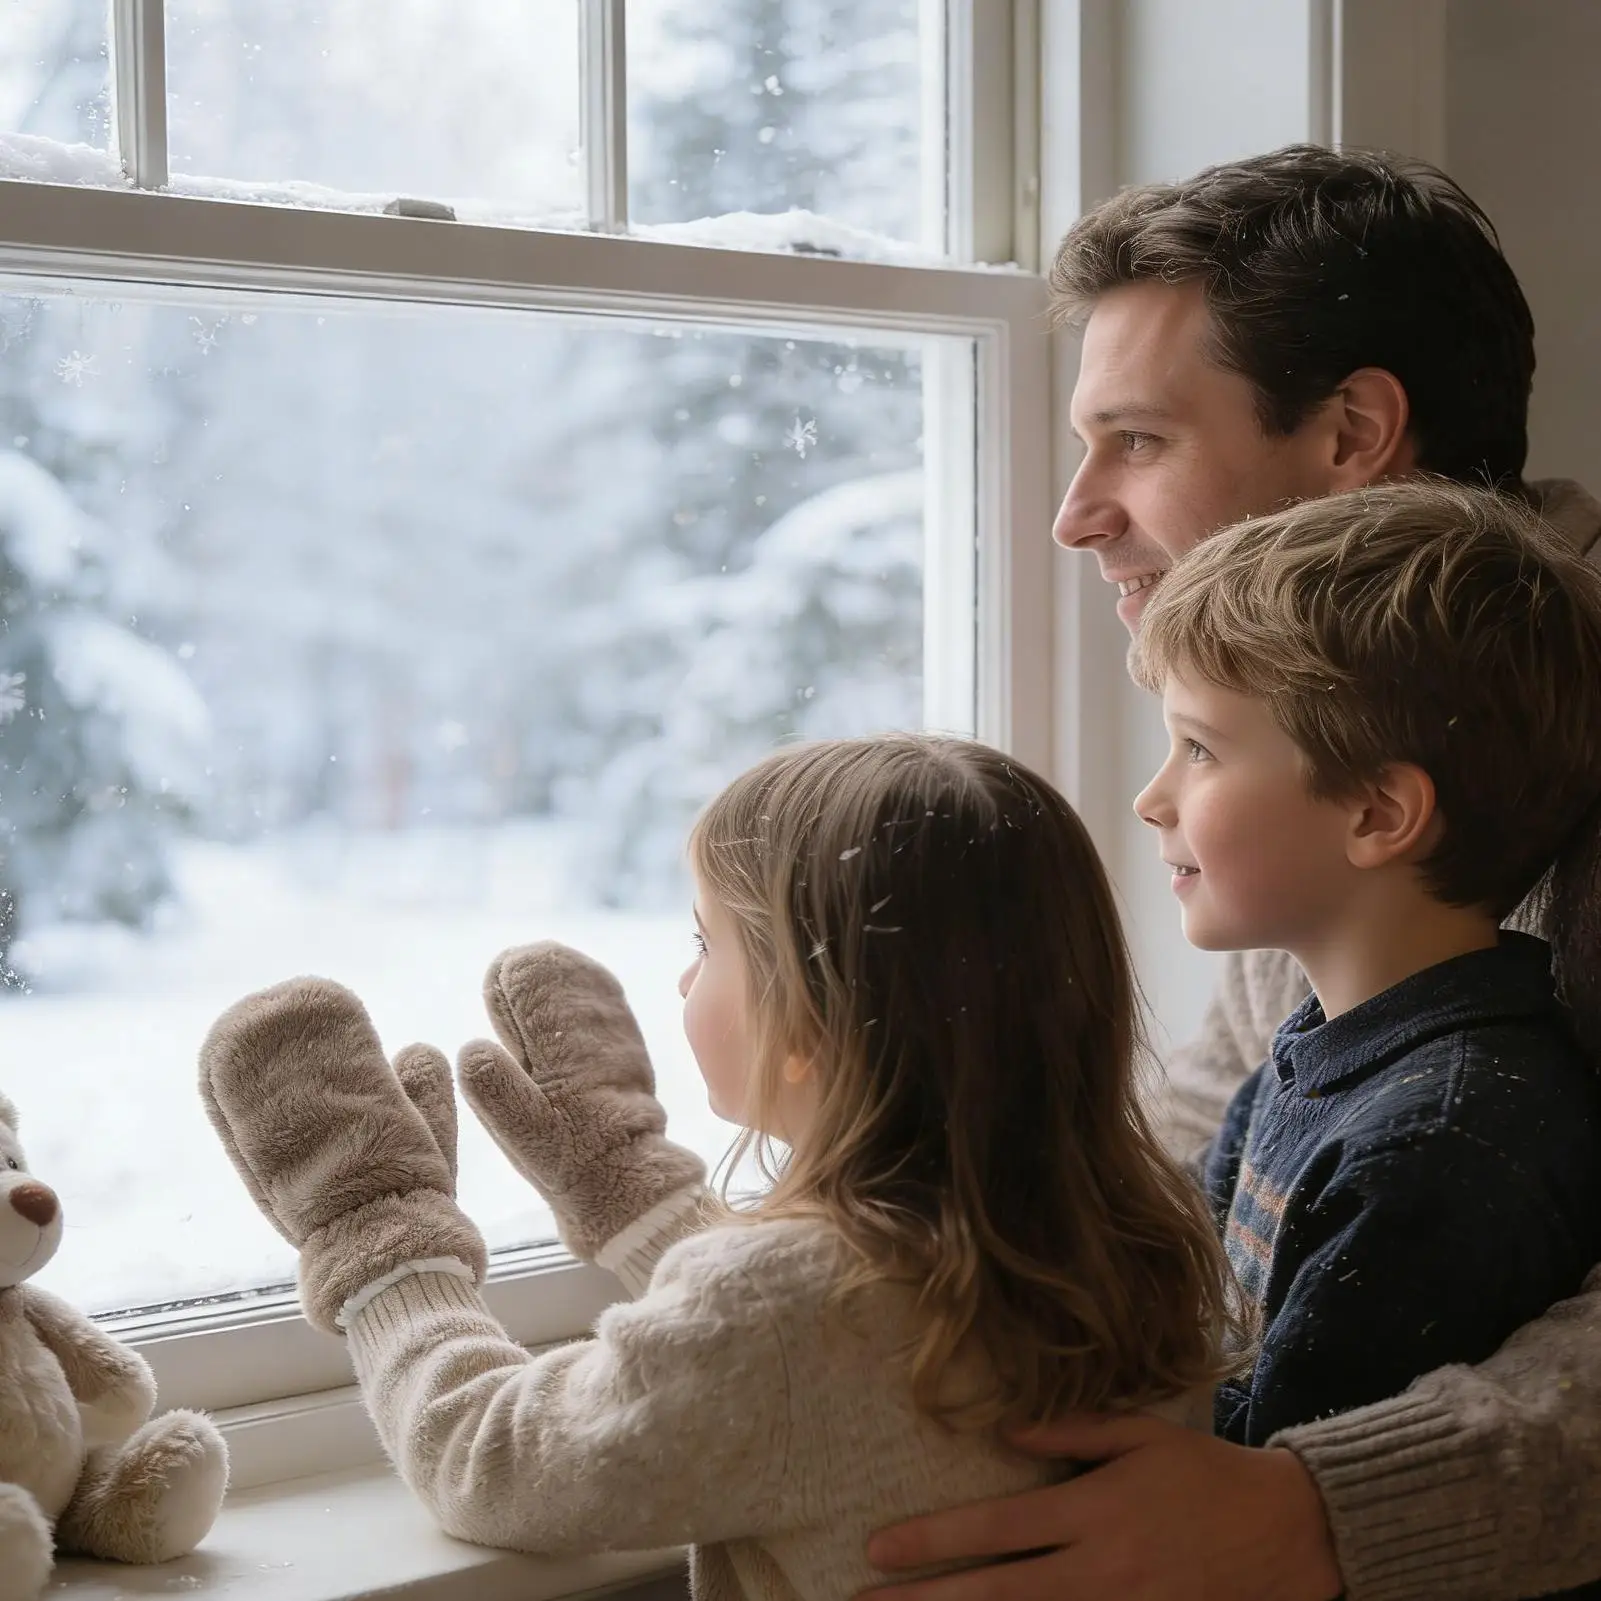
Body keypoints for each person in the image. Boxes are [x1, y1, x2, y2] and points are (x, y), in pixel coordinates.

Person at [862, 146, 1601, 1601]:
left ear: (1352, 433)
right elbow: (1203, 1145)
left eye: (1136, 439)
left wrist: (1317, 1511)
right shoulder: (1320, 742)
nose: (1074, 514)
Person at [197, 735, 1234, 1601]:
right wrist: (642, 1201)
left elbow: (492, 1455)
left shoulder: (792, 1303)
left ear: (808, 1024)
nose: (683, 974)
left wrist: (384, 1243)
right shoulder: (1143, 1235)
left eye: (708, 940)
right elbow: (804, 1372)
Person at [1133, 480, 1601, 1487]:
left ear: (1377, 813)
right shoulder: (1323, 1044)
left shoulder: (1436, 1143)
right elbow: (1197, 1312)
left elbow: (1271, 1484)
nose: (1149, 797)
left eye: (1199, 748)